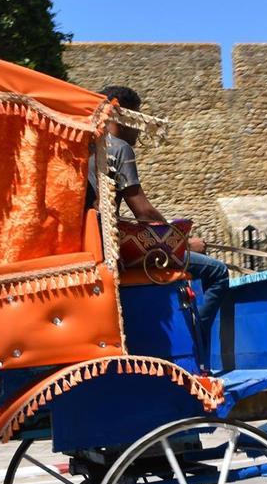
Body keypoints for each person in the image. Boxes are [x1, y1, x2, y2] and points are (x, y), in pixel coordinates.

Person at [90, 85, 230, 347]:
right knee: (218, 272)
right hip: (112, 250)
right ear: (121, 112)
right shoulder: (118, 147)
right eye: (138, 117)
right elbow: (143, 211)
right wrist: (182, 242)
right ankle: (195, 344)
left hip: (94, 245)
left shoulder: (83, 143)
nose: (140, 128)